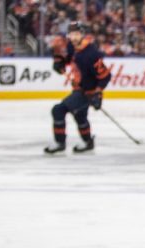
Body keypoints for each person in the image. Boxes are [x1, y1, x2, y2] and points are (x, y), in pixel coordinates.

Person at [45, 22, 111, 155]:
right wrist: (60, 63)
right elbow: (69, 58)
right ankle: (88, 142)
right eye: (71, 34)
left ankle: (60, 143)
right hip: (78, 89)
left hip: (87, 92)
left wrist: (98, 94)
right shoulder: (71, 45)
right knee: (80, 115)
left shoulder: (91, 54)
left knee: (58, 110)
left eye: (77, 34)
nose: (73, 37)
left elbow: (105, 76)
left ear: (82, 35)